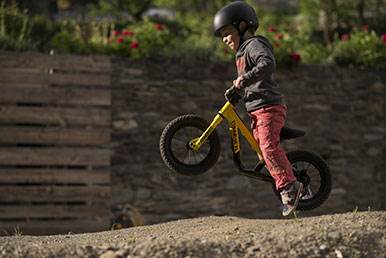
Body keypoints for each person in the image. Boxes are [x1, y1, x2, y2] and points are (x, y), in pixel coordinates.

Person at [213, 1, 303, 216]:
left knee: (268, 148)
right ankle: (286, 176)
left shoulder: (254, 44)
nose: (225, 40)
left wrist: (242, 80)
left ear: (242, 26)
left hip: (268, 108)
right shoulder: (242, 52)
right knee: (263, 151)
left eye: (227, 33)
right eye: (222, 36)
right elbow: (250, 80)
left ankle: (290, 188)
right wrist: (237, 90)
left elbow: (267, 64)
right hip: (257, 109)